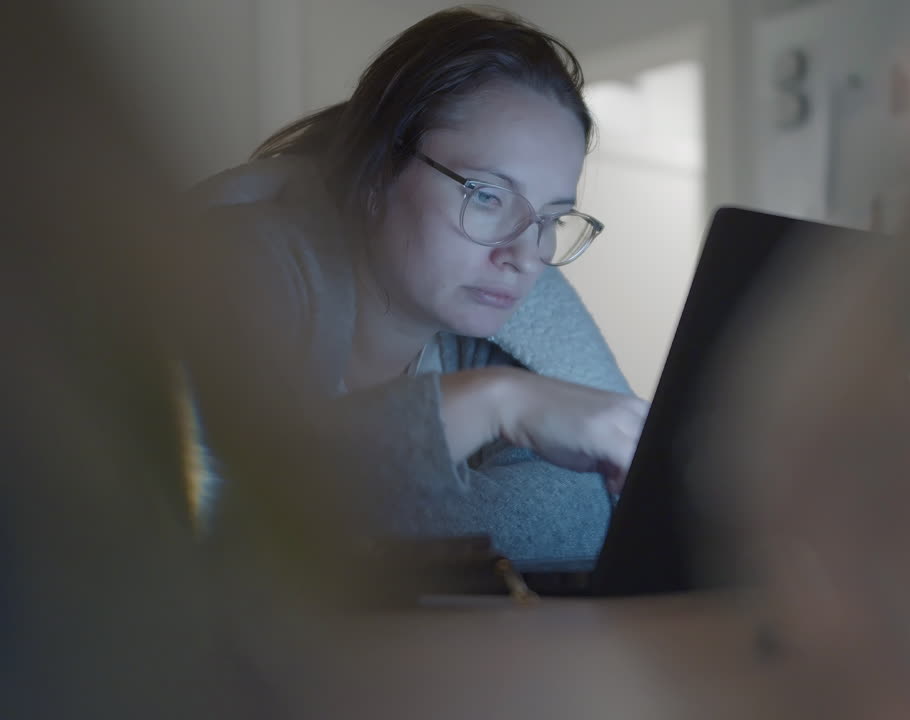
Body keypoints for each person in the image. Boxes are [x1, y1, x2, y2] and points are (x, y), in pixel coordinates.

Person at [185, 7, 648, 565]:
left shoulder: (483, 311)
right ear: (377, 173)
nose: (526, 256)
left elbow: (590, 511)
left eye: (551, 219)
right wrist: (496, 401)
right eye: (486, 195)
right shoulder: (243, 264)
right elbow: (229, 518)